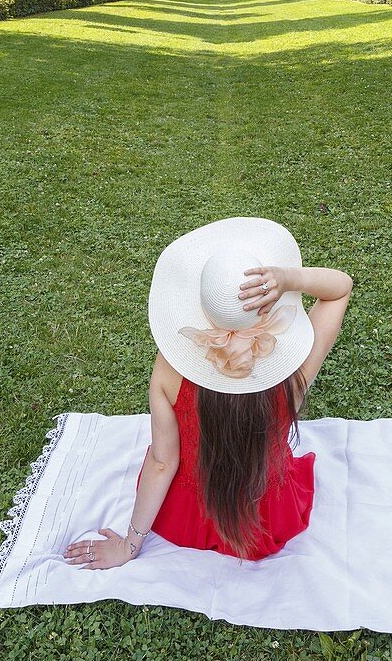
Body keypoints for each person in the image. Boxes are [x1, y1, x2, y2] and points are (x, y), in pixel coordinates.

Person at [64, 217, 353, 569]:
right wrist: (292, 278)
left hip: (189, 517)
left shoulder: (170, 370)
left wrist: (130, 545)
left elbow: (162, 462)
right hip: (266, 519)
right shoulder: (294, 372)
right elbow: (340, 288)